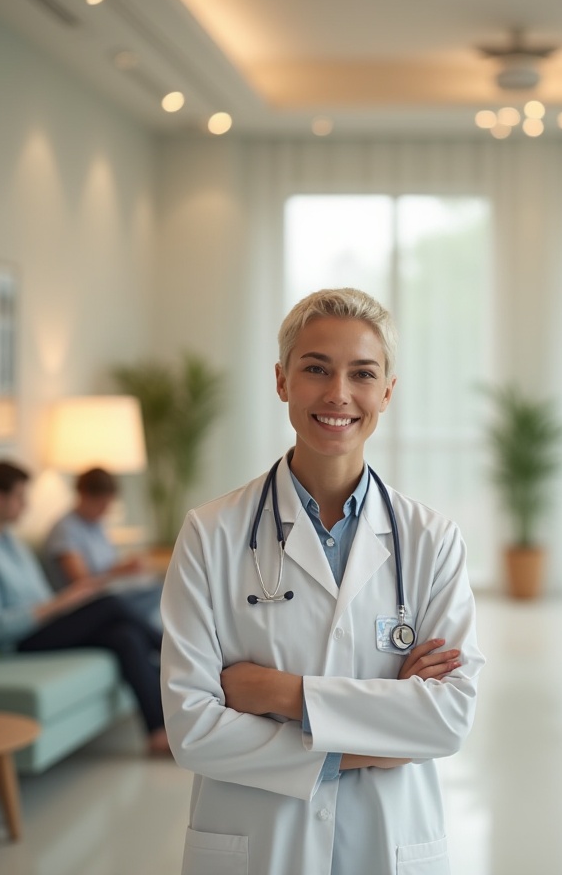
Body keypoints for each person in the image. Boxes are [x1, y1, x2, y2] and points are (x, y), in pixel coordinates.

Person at [160, 288, 484, 875]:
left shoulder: (432, 540)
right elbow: (192, 730)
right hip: (257, 844)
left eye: (362, 374)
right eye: (315, 369)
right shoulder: (211, 533)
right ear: (282, 380)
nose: (338, 394)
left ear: (387, 391)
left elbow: (447, 719)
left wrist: (276, 693)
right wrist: (378, 745)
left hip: (389, 840)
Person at [0, 461, 168, 754]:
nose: (26, 506)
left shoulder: (10, 541)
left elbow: (40, 596)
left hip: (45, 623)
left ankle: (158, 731)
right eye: (19, 498)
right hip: (18, 640)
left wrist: (62, 604)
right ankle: (177, 655)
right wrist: (56, 604)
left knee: (124, 635)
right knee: (110, 604)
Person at [43, 466, 162, 628]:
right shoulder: (66, 531)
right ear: (84, 496)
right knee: (152, 599)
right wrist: (119, 573)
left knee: (158, 590)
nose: (105, 511)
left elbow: (106, 568)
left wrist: (126, 568)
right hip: (84, 606)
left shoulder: (96, 526)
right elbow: (82, 584)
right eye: (101, 505)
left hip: (108, 594)